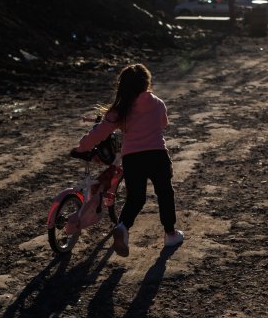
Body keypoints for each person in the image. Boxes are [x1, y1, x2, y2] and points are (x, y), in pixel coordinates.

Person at [72, 64, 184, 257]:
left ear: (123, 85)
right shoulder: (157, 103)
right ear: (147, 82)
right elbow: (163, 123)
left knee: (136, 198)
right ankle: (170, 233)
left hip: (133, 158)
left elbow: (98, 133)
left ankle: (123, 227)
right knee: (165, 192)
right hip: (158, 155)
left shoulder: (120, 110)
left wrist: (81, 148)